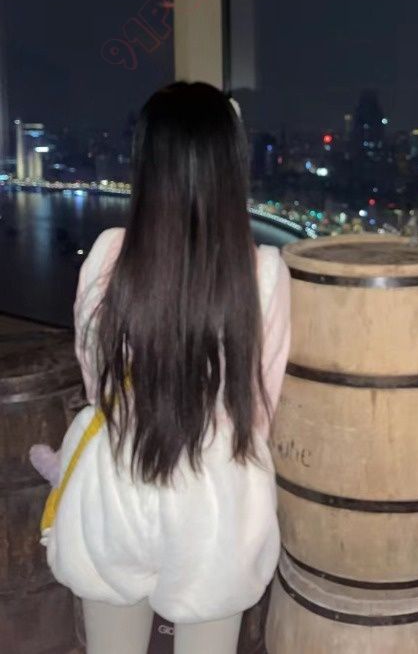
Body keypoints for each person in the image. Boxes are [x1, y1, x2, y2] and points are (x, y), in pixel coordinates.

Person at [29, 82, 291, 654]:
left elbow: (96, 380)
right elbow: (260, 404)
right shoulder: (264, 271)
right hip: (215, 497)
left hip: (121, 477)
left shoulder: (109, 255)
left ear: (147, 162)